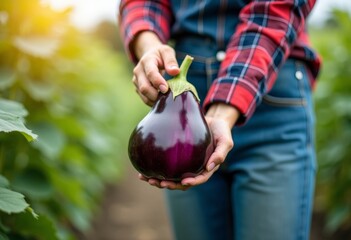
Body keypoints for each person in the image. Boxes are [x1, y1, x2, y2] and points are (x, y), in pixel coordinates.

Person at [118, 1, 321, 239]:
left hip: (272, 96)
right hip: (186, 99)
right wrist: (149, 45)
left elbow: (275, 13)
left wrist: (222, 112)